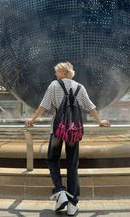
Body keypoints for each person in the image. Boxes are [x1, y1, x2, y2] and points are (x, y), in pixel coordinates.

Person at [25, 62, 110, 216]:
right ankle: (72, 204)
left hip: (57, 129)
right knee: (72, 164)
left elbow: (43, 105)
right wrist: (100, 122)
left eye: (57, 71)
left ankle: (60, 191)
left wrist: (33, 120)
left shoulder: (54, 85)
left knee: (52, 160)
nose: (55, 74)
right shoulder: (80, 87)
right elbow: (90, 107)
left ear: (64, 72)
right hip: (73, 130)